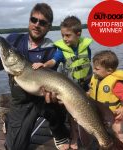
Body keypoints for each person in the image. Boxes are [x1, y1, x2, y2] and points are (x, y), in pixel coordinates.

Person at [0, 3, 70, 150]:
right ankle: (8, 118)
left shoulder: (52, 49)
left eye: (43, 22)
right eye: (34, 20)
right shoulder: (14, 39)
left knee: (61, 104)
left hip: (43, 98)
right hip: (21, 101)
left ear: (49, 27)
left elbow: (54, 78)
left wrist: (53, 95)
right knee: (15, 147)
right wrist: (5, 58)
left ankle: (57, 130)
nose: (37, 24)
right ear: (29, 20)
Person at [32, 16, 93, 149]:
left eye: (67, 35)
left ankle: (88, 134)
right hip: (70, 90)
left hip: (86, 87)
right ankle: (74, 137)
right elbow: (53, 61)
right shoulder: (61, 50)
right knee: (72, 116)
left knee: (90, 112)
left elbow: (87, 66)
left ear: (78, 34)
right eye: (62, 35)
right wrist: (44, 65)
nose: (64, 38)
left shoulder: (86, 48)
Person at [89, 50, 123, 145]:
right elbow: (92, 91)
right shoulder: (96, 79)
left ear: (109, 71)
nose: (94, 71)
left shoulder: (116, 84)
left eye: (97, 69)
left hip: (115, 115)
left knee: (118, 133)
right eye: (94, 68)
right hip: (100, 113)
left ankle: (121, 147)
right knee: (103, 133)